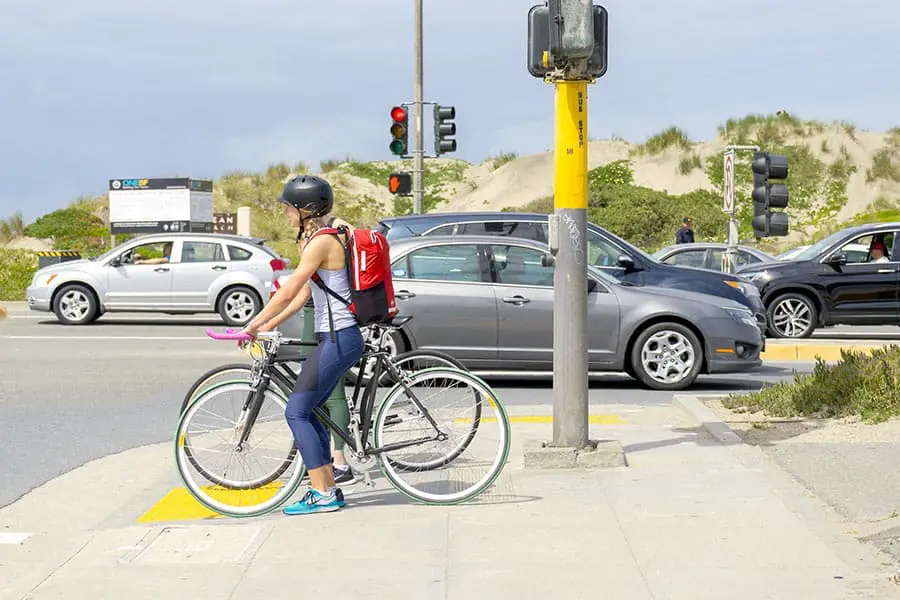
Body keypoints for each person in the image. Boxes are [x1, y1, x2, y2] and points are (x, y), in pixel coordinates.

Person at [241, 175, 365, 516]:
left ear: (306, 209)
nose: (284, 212)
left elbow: (290, 288)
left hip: (340, 337)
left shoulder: (322, 242)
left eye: (287, 207)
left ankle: (322, 494)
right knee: (311, 411)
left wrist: (252, 323)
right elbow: (307, 293)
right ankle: (329, 489)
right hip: (336, 336)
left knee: (295, 411)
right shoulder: (319, 239)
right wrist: (266, 325)